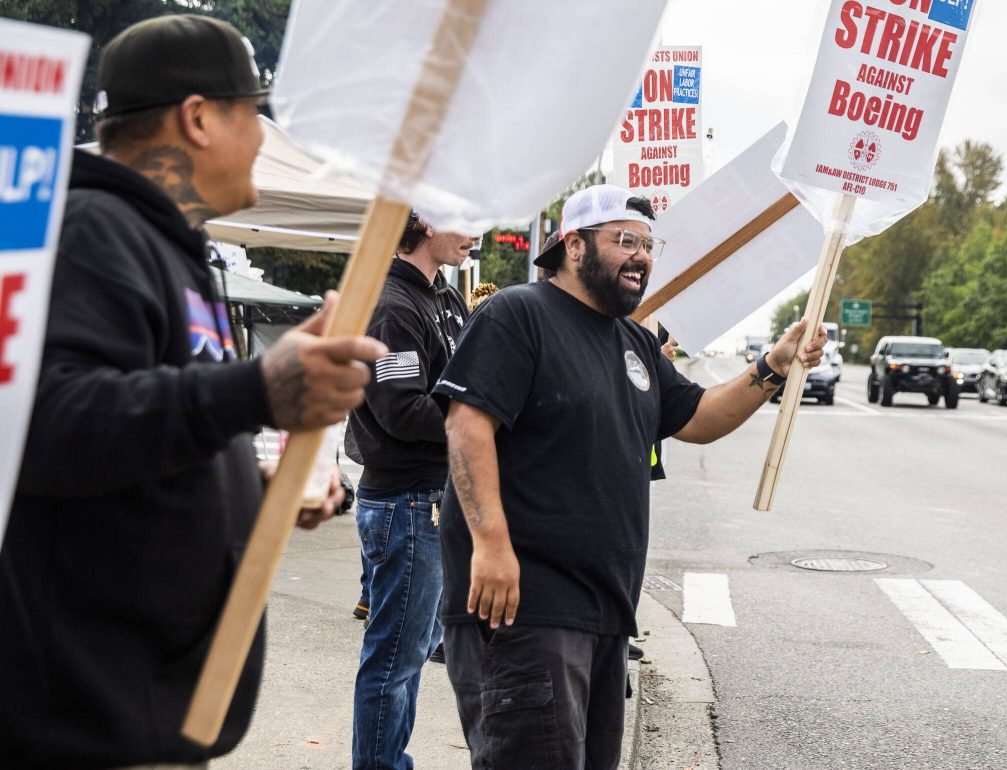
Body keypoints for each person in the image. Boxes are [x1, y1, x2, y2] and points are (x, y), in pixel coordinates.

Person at [0, 15, 386, 769]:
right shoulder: (93, 232)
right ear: (200, 117)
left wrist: (252, 482)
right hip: (84, 727)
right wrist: (254, 389)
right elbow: (49, 425)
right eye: (256, 114)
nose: (266, 137)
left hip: (144, 715)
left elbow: (151, 426)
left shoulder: (165, 249)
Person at [433, 184, 826, 768]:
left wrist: (772, 367)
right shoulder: (518, 314)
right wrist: (490, 546)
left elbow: (697, 418)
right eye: (625, 240)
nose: (642, 255)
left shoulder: (635, 342)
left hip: (604, 614)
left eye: (648, 244)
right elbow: (467, 426)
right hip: (524, 609)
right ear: (573, 245)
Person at [344, 212, 475, 770]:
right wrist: (478, 423)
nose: (477, 233)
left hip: (424, 499)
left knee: (410, 654)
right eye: (465, 218)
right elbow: (401, 410)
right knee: (395, 659)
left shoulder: (442, 296)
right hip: (406, 501)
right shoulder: (394, 304)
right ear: (423, 221)